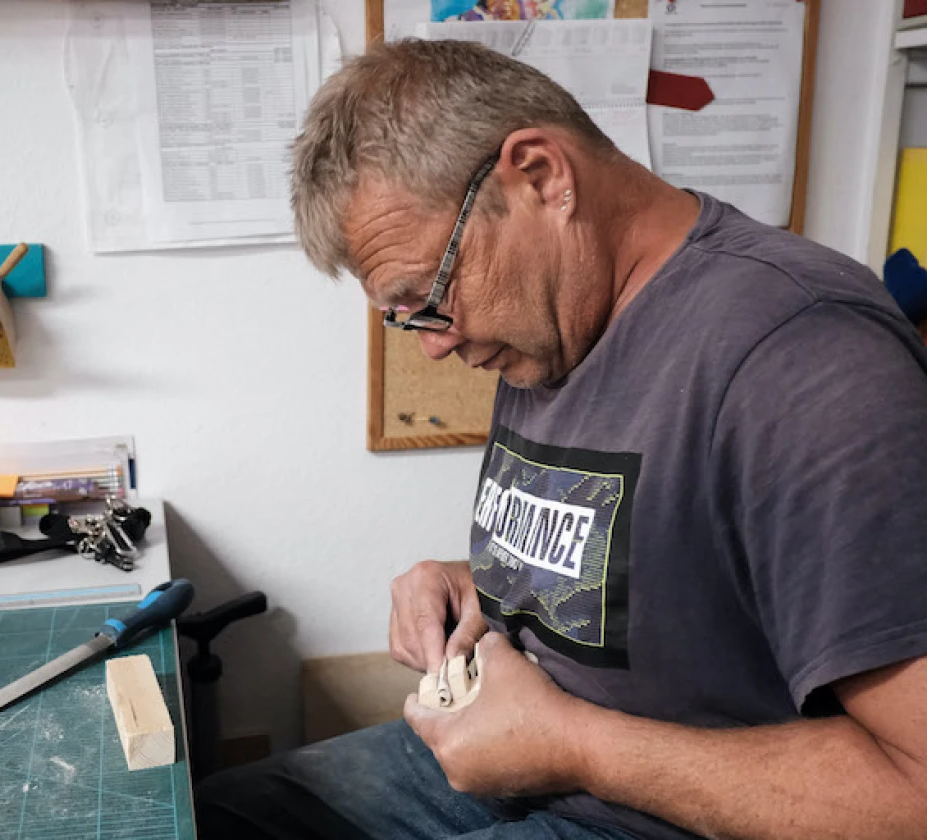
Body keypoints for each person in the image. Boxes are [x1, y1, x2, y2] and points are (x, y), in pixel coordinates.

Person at [195, 38, 927, 840]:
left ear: (542, 177)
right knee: (219, 816)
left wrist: (576, 747)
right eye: (402, 316)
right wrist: (493, 579)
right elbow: (675, 562)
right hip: (533, 761)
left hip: (657, 810)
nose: (433, 343)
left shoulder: (802, 359)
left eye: (428, 297)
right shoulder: (555, 315)